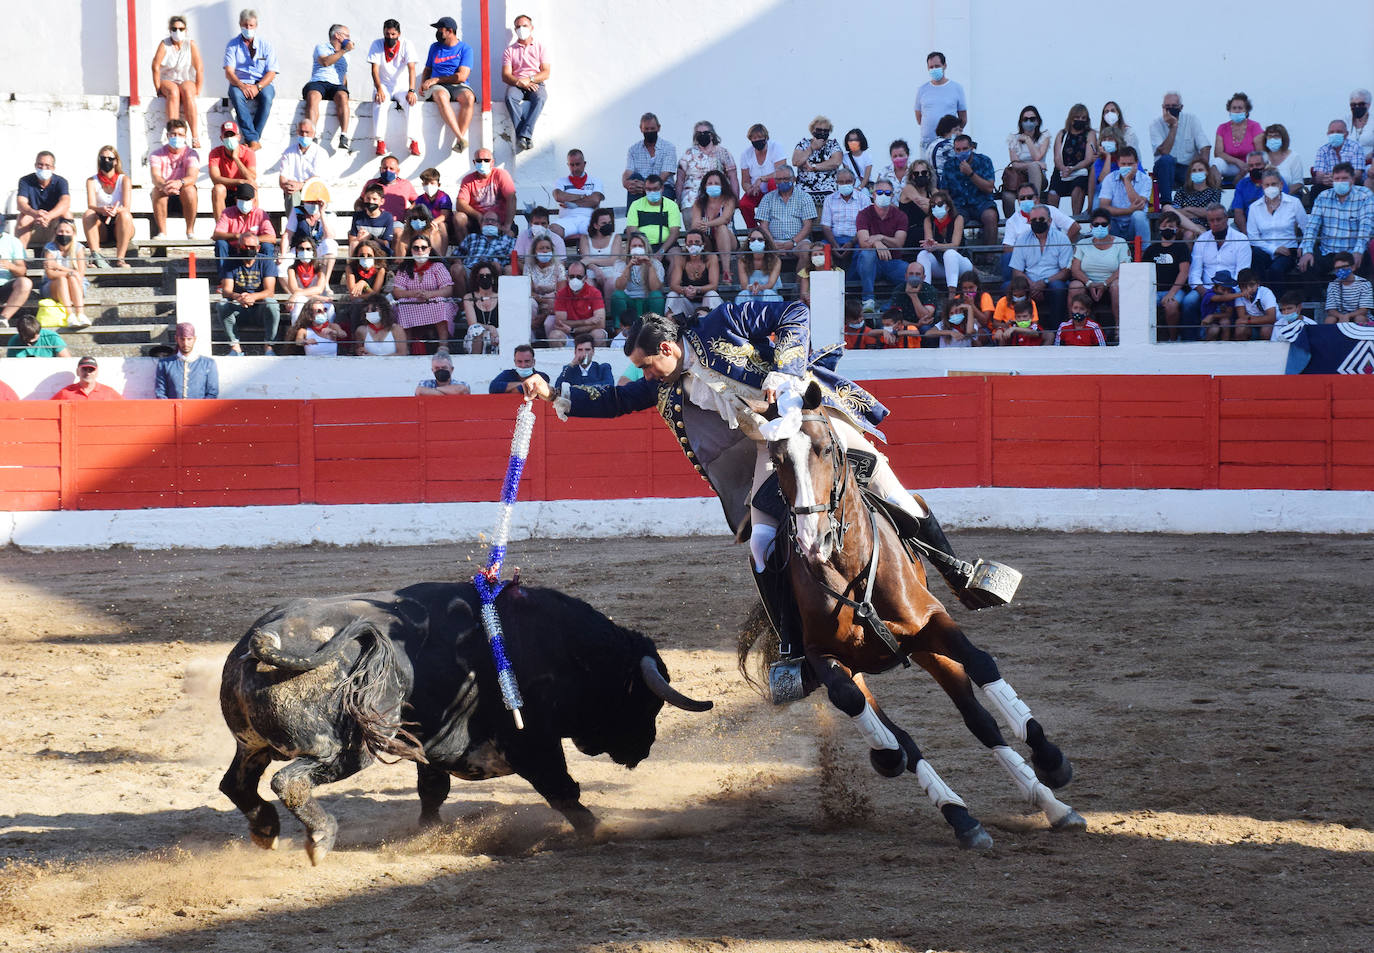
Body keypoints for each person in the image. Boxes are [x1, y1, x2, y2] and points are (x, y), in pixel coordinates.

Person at [534, 302, 1020, 646]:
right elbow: (617, 400)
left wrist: (785, 368)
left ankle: (959, 573)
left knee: (892, 493)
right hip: (772, 447)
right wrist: (556, 394)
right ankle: (791, 643)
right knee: (761, 544)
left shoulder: (721, 323)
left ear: (666, 347)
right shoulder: (664, 386)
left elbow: (793, 311)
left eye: (646, 365)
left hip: (808, 420)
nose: (645, 375)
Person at [217, 218, 280, 356]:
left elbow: (270, 291)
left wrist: (252, 297)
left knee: (272, 304)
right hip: (239, 307)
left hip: (259, 308)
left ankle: (269, 346)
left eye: (252, 247)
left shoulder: (266, 262)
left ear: (258, 248)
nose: (248, 250)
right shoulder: (230, 262)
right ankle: (235, 347)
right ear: (239, 247)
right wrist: (238, 297)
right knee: (222, 304)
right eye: (245, 247)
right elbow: (226, 290)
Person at [1298, 164, 1372, 282]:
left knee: (1363, 263)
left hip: (1352, 251)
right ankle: (1318, 295)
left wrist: (1358, 251)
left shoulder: (1365, 195)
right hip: (1328, 252)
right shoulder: (1323, 197)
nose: (1340, 182)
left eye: (1344, 178)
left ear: (1353, 180)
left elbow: (1366, 226)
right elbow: (1312, 226)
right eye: (1337, 179)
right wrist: (1307, 251)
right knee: (1306, 263)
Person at [223, 9, 278, 151]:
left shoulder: (266, 45)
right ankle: (254, 140)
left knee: (267, 97)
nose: (248, 28)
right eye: (245, 25)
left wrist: (257, 87)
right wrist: (241, 85)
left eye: (251, 25)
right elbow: (229, 72)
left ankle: (252, 139)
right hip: (239, 83)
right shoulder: (232, 45)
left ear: (256, 25)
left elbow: (272, 72)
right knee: (236, 96)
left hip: (261, 83)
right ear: (240, 24)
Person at [1009, 205, 1073, 329]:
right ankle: (1016, 331)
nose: (1037, 222)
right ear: (1029, 221)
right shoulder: (1022, 239)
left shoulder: (1062, 238)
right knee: (1008, 287)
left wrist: (1044, 282)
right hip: (1028, 285)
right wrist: (1033, 285)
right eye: (1034, 220)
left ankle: (1057, 331)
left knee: (1058, 287)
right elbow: (1017, 271)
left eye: (1041, 219)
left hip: (1051, 283)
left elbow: (1066, 271)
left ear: (1050, 221)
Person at [366, 19, 420, 159]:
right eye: (387, 34)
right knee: (379, 101)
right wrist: (379, 88)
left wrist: (411, 90)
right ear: (384, 33)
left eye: (393, 34)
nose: (390, 37)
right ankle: (380, 142)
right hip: (383, 84)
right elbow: (374, 69)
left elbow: (412, 68)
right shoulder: (377, 44)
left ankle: (414, 141)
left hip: (402, 85)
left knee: (412, 102)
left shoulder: (407, 44)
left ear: (399, 34)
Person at [420, 16, 476, 153]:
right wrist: (423, 84)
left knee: (469, 98)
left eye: (440, 29)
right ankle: (460, 138)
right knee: (441, 96)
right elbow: (427, 69)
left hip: (457, 84)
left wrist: (437, 79)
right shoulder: (434, 47)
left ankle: (459, 141)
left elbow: (462, 76)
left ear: (450, 31)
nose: (438, 32)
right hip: (438, 87)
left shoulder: (465, 49)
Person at [1069, 209, 1130, 332]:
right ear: (1091, 226)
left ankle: (1119, 328)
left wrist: (1105, 284)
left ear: (1109, 226)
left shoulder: (1120, 243)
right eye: (1096, 224)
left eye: (1103, 224)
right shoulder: (1082, 243)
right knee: (1075, 286)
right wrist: (1089, 283)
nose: (1100, 227)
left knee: (1117, 286)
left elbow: (1124, 268)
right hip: (1087, 286)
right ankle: (1074, 328)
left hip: (1110, 285)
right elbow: (1075, 269)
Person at [854, 177, 908, 312]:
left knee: (912, 273)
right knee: (867, 254)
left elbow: (899, 243)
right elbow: (863, 242)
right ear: (873, 195)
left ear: (892, 196)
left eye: (888, 193)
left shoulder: (900, 216)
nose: (883, 195)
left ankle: (889, 306)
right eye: (879, 192)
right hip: (870, 264)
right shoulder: (863, 214)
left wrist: (881, 237)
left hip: (892, 262)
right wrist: (877, 243)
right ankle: (868, 300)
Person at [1148, 91, 1212, 206]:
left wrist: (1203, 169)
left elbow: (1205, 147)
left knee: (1200, 169)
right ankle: (1166, 204)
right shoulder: (1155, 124)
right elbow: (1164, 152)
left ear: (1181, 107)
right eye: (1167, 106)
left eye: (1174, 106)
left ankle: (1199, 204)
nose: (1170, 109)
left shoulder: (1191, 120)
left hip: (1187, 168)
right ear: (1163, 107)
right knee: (1166, 160)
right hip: (1164, 169)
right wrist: (1174, 126)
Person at [393, 235, 455, 351]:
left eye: (423, 247)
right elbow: (397, 291)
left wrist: (430, 294)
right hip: (412, 300)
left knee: (441, 302)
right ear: (411, 250)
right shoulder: (404, 268)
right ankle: (406, 347)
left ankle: (443, 345)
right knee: (402, 304)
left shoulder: (438, 266)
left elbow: (448, 289)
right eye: (416, 248)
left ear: (429, 249)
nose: (420, 251)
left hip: (433, 299)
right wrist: (412, 294)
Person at [151, 15, 205, 148]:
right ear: (170, 30)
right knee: (173, 91)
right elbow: (155, 66)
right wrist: (158, 88)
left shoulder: (190, 44)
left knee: (188, 91)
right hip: (168, 80)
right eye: (174, 29)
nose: (177, 32)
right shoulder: (164, 44)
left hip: (186, 79)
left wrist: (198, 88)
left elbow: (199, 67)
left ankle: (195, 136)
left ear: (186, 30)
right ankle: (173, 133)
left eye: (181, 29)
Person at [1246, 169, 1308, 284]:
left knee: (1276, 270)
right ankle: (1260, 292)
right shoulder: (1254, 207)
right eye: (1267, 185)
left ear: (1281, 185)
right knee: (1255, 255)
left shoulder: (1294, 203)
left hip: (1287, 251)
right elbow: (1253, 237)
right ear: (1262, 186)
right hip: (1264, 250)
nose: (1270, 187)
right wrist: (1274, 249)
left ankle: (1277, 296)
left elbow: (1307, 229)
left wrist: (1303, 246)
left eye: (1273, 184)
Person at [1145, 211, 1198, 341]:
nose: (1167, 228)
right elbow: (1144, 272)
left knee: (1171, 306)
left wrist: (1171, 293)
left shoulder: (1181, 248)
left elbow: (1184, 272)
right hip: (1154, 291)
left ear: (1177, 229)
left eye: (1171, 226)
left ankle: (1173, 339)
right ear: (1159, 228)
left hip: (1176, 290)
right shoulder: (1151, 249)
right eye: (1164, 226)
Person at [501, 13, 549, 152]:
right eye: (518, 27)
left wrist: (530, 80)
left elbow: (546, 72)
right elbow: (505, 75)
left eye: (524, 26)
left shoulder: (540, 47)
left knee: (541, 98)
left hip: (535, 82)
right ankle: (524, 136)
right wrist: (519, 82)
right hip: (516, 84)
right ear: (515, 30)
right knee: (510, 97)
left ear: (531, 28)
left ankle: (523, 135)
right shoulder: (509, 50)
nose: (521, 29)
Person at [303, 23, 355, 151]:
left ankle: (344, 135)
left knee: (343, 96)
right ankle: (312, 133)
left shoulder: (346, 56)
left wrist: (346, 91)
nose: (349, 39)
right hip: (319, 81)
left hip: (336, 85)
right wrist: (344, 50)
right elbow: (325, 62)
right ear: (337, 35)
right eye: (347, 36)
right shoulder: (322, 47)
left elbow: (343, 75)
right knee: (313, 96)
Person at [212, 184, 277, 283]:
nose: (244, 202)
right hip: (234, 249)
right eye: (241, 199)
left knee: (268, 246)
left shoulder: (260, 214)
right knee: (221, 244)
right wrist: (237, 236)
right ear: (236, 200)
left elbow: (272, 237)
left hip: (254, 250)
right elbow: (216, 235)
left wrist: (251, 240)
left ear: (254, 201)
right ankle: (223, 281)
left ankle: (267, 279)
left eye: (247, 199)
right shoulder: (227, 212)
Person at [943, 134, 998, 248]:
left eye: (965, 149)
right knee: (955, 218)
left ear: (971, 148)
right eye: (958, 150)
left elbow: (989, 188)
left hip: (982, 203)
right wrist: (948, 206)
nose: (961, 152)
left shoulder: (984, 161)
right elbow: (944, 191)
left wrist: (971, 174)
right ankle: (960, 253)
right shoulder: (949, 165)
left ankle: (990, 255)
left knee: (990, 216)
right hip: (959, 205)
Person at [149, 119, 201, 239]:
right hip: (165, 192)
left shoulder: (191, 154)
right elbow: (155, 176)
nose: (177, 137)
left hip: (183, 193)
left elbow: (192, 177)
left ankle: (190, 232)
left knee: (190, 189)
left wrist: (179, 183)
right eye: (173, 134)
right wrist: (165, 186)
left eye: (180, 134)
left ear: (185, 137)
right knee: (157, 190)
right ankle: (162, 232)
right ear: (167, 135)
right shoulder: (156, 154)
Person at [83, 146, 134, 268]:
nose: (106, 161)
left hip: (120, 222)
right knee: (88, 214)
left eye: (110, 158)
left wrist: (115, 210)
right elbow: (91, 205)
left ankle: (120, 259)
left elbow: (126, 206)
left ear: (116, 161)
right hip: (101, 223)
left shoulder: (124, 179)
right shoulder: (91, 181)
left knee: (125, 215)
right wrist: (101, 210)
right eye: (103, 158)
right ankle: (96, 256)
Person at [754, 165, 814, 264]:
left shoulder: (805, 197)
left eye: (786, 179)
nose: (782, 182)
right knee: (756, 251)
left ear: (794, 179)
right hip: (773, 241)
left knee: (806, 252)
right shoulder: (767, 198)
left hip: (799, 242)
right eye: (779, 179)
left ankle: (801, 275)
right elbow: (763, 226)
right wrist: (772, 244)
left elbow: (808, 226)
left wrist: (793, 242)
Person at [917, 190, 973, 292]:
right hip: (940, 266)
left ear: (948, 207)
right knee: (923, 254)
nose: (936, 208)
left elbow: (955, 246)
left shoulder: (958, 218)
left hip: (961, 265)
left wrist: (937, 246)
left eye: (940, 205)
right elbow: (929, 243)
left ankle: (952, 293)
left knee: (950, 253)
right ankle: (925, 292)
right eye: (933, 206)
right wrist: (929, 246)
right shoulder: (928, 220)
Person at [282, 189, 339, 288]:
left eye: (315, 202)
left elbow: (330, 236)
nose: (312, 204)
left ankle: (324, 284)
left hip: (318, 250)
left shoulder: (329, 214)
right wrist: (283, 254)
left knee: (331, 245)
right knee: (280, 267)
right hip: (299, 249)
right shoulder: (297, 211)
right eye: (309, 202)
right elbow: (287, 234)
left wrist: (322, 213)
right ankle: (295, 292)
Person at [1192, 205, 1253, 297]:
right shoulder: (1202, 240)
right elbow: (1194, 273)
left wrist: (1227, 293)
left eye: (1219, 219)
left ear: (1226, 218)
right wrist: (1205, 293)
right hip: (1206, 289)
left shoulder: (1241, 239)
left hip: (1232, 289)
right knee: (1189, 301)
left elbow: (1242, 273)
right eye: (1211, 220)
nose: (1215, 223)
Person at [15, 151, 72, 249]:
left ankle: (67, 252)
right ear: (35, 165)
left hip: (53, 220)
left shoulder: (61, 182)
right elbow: (21, 203)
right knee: (23, 218)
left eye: (47, 166)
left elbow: (65, 202)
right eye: (40, 165)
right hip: (33, 219)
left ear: (53, 168)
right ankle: (20, 254)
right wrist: (35, 213)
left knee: (67, 214)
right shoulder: (25, 181)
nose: (43, 168)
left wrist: (48, 216)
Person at [607, 234, 666, 329]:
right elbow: (619, 287)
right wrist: (629, 266)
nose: (637, 249)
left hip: (647, 301)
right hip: (629, 302)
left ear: (645, 248)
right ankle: (619, 331)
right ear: (629, 248)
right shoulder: (620, 263)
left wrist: (650, 266)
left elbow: (655, 288)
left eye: (640, 246)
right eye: (634, 246)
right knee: (617, 295)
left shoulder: (655, 264)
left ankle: (655, 330)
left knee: (657, 296)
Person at [1049, 104, 1098, 215]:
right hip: (1062, 171)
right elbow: (1057, 157)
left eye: (1083, 118)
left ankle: (1075, 218)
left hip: (1080, 170)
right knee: (1053, 192)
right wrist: (1063, 168)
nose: (1080, 120)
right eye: (1077, 117)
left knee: (1078, 188)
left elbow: (1089, 158)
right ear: (1071, 119)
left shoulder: (1090, 134)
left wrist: (1073, 168)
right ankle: (1053, 220)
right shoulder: (1062, 134)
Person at [677, 120, 738, 209]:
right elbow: (680, 179)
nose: (702, 135)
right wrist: (678, 201)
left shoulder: (723, 153)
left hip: (718, 197)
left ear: (712, 135)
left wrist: (735, 200)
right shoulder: (688, 154)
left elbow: (733, 178)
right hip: (691, 200)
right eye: (699, 133)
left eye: (705, 132)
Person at [455, 149, 517, 235]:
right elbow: (460, 204)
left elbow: (512, 198)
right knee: (459, 218)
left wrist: (507, 225)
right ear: (474, 162)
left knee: (509, 234)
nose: (482, 163)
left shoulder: (501, 175)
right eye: (479, 160)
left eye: (486, 160)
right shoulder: (468, 179)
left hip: (500, 221)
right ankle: (465, 244)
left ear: (492, 162)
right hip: (477, 222)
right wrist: (478, 215)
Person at [42, 220, 91, 329]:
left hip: (76, 285)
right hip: (53, 286)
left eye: (67, 232)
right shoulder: (50, 248)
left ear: (73, 233)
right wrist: (69, 273)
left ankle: (80, 314)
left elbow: (79, 275)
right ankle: (70, 315)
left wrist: (58, 267)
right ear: (55, 232)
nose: (63, 234)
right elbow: (50, 274)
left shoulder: (78, 248)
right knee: (62, 279)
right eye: (61, 231)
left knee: (71, 278)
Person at [914, 51, 967, 149]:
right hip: (927, 144)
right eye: (931, 67)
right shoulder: (922, 89)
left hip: (948, 144)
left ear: (944, 66)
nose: (934, 69)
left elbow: (963, 119)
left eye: (937, 66)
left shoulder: (956, 88)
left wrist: (953, 134)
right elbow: (919, 117)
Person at [1096, 146, 1151, 242]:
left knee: (1139, 216)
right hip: (1115, 225)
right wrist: (1129, 210)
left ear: (1137, 163)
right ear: (1118, 163)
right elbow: (1104, 207)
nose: (1126, 167)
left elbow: (1139, 205)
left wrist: (1127, 181)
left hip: (1134, 226)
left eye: (1130, 164)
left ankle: (1144, 249)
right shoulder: (1109, 178)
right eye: (1123, 164)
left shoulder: (1145, 179)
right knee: (1104, 218)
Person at [818, 168, 870, 269]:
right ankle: (827, 277)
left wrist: (852, 242)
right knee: (820, 250)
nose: (845, 184)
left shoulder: (864, 199)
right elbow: (826, 226)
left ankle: (851, 278)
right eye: (841, 182)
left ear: (854, 181)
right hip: (834, 239)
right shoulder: (829, 199)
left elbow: (865, 226)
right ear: (836, 182)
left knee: (863, 251)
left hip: (857, 239)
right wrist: (834, 244)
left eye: (848, 181)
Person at [1002, 105, 1049, 216]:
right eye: (1025, 119)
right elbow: (1015, 164)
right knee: (1007, 197)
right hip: (1019, 179)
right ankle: (1013, 223)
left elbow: (1037, 157)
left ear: (1037, 121)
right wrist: (1035, 164)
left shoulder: (1044, 137)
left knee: (1034, 167)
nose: (1029, 122)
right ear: (1021, 122)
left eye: (1032, 119)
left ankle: (1035, 207)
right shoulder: (1013, 138)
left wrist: (1028, 140)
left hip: (1039, 178)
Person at [624, 112, 677, 208]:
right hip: (639, 188)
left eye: (652, 129)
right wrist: (626, 183)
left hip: (663, 187)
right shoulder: (633, 150)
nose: (649, 131)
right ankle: (632, 216)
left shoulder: (669, 148)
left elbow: (664, 175)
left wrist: (646, 187)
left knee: (663, 191)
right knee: (634, 179)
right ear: (641, 129)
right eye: (646, 129)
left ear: (658, 128)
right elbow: (628, 172)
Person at [206, 121, 255, 221]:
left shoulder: (248, 152)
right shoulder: (215, 153)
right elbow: (215, 178)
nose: (229, 138)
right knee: (218, 189)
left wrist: (236, 158)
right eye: (226, 135)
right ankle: (221, 226)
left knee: (253, 187)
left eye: (232, 135)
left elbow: (251, 178)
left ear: (238, 137)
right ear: (221, 138)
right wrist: (239, 181)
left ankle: (251, 225)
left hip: (242, 191)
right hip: (225, 191)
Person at [738, 123, 785, 229]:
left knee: (772, 182)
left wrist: (761, 179)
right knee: (744, 204)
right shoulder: (746, 154)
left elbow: (781, 173)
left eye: (760, 137)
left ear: (766, 137)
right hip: (757, 192)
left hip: (775, 189)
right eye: (754, 138)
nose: (757, 140)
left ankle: (774, 225)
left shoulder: (775, 147)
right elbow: (745, 181)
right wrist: (750, 188)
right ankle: (753, 230)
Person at [548, 259, 605, 346]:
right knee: (554, 336)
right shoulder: (561, 294)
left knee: (599, 334)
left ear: (585, 278)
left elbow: (600, 324)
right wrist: (586, 322)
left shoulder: (594, 293)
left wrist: (574, 329)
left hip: (589, 335)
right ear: (567, 277)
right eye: (572, 276)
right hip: (569, 335)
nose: (575, 280)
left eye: (579, 277)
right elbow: (560, 322)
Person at [881, 260, 938, 346]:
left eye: (918, 274)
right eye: (911, 274)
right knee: (886, 328)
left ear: (923, 277)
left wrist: (913, 296)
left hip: (926, 326)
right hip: (903, 324)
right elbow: (895, 319)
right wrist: (916, 325)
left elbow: (925, 317)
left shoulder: (930, 290)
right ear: (906, 276)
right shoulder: (899, 290)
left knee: (925, 329)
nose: (914, 277)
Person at [667, 229, 722, 317]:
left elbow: (714, 285)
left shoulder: (711, 258)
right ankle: (672, 322)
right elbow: (674, 285)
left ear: (703, 244)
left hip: (706, 302)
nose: (693, 245)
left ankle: (711, 323)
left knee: (712, 294)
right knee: (672, 295)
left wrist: (697, 289)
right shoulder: (680, 259)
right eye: (690, 242)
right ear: (686, 244)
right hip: (687, 302)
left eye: (697, 242)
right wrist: (685, 290)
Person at [154, 322, 219, 398]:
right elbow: (160, 392)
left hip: (200, 406)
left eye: (189, 339)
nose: (185, 343)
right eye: (182, 339)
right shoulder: (164, 364)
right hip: (173, 405)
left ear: (194, 339)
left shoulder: (208, 363)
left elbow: (212, 393)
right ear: (176, 339)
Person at [688, 169, 738, 265]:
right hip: (707, 241)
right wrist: (701, 227)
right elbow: (695, 224)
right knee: (698, 234)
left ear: (722, 186)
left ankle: (726, 270)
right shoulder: (699, 203)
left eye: (716, 183)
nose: (713, 186)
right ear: (705, 186)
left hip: (729, 240)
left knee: (721, 227)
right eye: (710, 183)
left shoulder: (729, 200)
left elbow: (725, 219)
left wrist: (707, 224)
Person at [792, 117, 841, 212]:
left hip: (828, 191)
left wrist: (813, 167)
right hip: (804, 191)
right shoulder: (803, 144)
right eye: (819, 130)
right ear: (812, 130)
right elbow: (796, 161)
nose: (822, 133)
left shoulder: (833, 144)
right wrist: (811, 148)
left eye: (825, 130)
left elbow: (836, 162)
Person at [551, 149, 604, 239]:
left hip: (589, 219)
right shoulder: (560, 181)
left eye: (578, 164)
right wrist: (583, 196)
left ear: (584, 164)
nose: (575, 168)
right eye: (572, 165)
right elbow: (558, 196)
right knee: (553, 231)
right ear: (568, 165)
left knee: (598, 231)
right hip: (566, 221)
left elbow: (595, 200)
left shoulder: (596, 181)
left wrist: (571, 203)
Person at [1211, 93, 1263, 181]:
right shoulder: (1222, 128)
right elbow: (1218, 153)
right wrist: (1237, 162)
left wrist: (1247, 167)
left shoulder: (1255, 126)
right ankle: (1215, 189)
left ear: (1246, 111)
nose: (1237, 110)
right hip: (1230, 165)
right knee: (1216, 163)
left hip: (1250, 166)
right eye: (1234, 108)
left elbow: (1260, 153)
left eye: (1240, 108)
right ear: (1229, 110)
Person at [1164, 159, 1223, 236]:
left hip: (1204, 225)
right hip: (1183, 225)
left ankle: (1199, 231)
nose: (1197, 172)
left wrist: (1189, 209)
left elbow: (1210, 212)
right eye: (1194, 170)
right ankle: (1199, 231)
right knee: (1167, 207)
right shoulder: (1182, 191)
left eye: (1200, 170)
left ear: (1207, 172)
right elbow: (1175, 212)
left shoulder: (1214, 191)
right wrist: (1199, 213)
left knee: (1189, 233)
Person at [625, 174, 682, 254]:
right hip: (643, 245)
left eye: (655, 189)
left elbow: (674, 233)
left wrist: (661, 252)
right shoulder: (635, 205)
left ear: (662, 188)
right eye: (648, 189)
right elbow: (632, 230)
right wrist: (645, 248)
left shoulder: (672, 205)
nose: (652, 192)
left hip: (666, 246)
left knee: (676, 256)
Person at [278, 118, 324, 216]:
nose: (304, 135)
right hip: (294, 190)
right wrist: (288, 186)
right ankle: (294, 223)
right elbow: (282, 177)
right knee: (291, 191)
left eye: (307, 132)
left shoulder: (320, 152)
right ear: (297, 132)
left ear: (314, 134)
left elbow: (317, 178)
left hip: (313, 190)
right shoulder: (288, 152)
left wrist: (301, 185)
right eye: (301, 132)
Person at [282, 236, 330, 327]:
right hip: (308, 299)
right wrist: (314, 296)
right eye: (301, 249)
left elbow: (319, 289)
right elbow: (294, 290)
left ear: (313, 251)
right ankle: (296, 331)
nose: (305, 252)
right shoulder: (292, 269)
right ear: (297, 251)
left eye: (308, 249)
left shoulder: (320, 268)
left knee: (330, 308)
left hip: (318, 301)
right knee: (300, 300)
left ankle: (327, 333)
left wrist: (297, 294)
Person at [1311, 121, 1368, 198]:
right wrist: (1328, 179)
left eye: (1339, 132)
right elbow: (1319, 175)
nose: (1335, 134)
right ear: (1328, 134)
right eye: (1332, 132)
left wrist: (1341, 178)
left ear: (1346, 134)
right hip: (1329, 185)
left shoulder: (1356, 147)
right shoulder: (1323, 150)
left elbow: (1357, 173)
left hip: (1351, 184)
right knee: (1316, 189)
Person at [454, 210, 516, 279]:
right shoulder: (472, 237)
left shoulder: (508, 240)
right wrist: (458, 262)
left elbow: (515, 259)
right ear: (481, 224)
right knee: (456, 268)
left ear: (499, 225)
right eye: (486, 220)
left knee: (496, 265)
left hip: (495, 271)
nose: (489, 222)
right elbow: (456, 255)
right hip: (471, 270)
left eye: (493, 221)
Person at [341, 239, 387, 330]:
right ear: (357, 256)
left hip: (374, 301)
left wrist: (364, 285)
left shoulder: (380, 270)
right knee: (357, 303)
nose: (365, 258)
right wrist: (368, 293)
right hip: (356, 302)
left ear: (375, 256)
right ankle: (356, 334)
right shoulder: (350, 268)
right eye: (362, 256)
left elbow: (376, 295)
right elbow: (353, 295)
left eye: (369, 256)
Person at [525, 236, 564, 338]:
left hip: (553, 304)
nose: (545, 251)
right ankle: (530, 338)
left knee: (554, 299)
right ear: (535, 251)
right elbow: (528, 291)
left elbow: (561, 292)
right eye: (541, 248)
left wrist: (545, 312)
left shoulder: (559, 267)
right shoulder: (529, 267)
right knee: (530, 303)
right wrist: (544, 299)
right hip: (537, 301)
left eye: (547, 248)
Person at [577, 208, 622, 295]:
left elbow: (612, 260)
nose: (607, 225)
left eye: (609, 223)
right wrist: (596, 269)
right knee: (588, 285)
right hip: (591, 271)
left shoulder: (616, 237)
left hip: (611, 271)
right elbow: (585, 260)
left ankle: (608, 304)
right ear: (595, 225)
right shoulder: (585, 238)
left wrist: (590, 260)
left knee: (611, 284)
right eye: (604, 223)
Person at [460, 259, 500, 354]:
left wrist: (493, 330)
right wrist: (490, 327)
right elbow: (472, 323)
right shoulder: (469, 297)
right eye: (481, 276)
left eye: (488, 276)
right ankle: (476, 359)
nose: (485, 278)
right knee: (475, 329)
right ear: (477, 279)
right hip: (477, 335)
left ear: (493, 278)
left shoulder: (501, 296)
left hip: (496, 334)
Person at [349, 182, 397, 258]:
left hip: (379, 249)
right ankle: (352, 264)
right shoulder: (357, 216)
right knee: (354, 244)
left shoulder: (387, 217)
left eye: (374, 199)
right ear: (364, 199)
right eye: (368, 198)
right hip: (362, 248)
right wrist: (359, 237)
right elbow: (352, 239)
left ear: (382, 201)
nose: (371, 202)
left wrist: (371, 237)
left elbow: (386, 243)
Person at [735, 229, 783, 305]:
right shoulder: (743, 260)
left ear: (766, 242)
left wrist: (759, 288)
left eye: (760, 239)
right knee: (743, 294)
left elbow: (770, 284)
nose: (756, 242)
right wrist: (752, 288)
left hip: (769, 292)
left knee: (768, 293)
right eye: (752, 239)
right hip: (750, 292)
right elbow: (744, 285)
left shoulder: (775, 260)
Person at [1230, 151, 1273, 234]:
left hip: (1271, 224)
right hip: (1247, 224)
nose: (1254, 168)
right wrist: (1246, 234)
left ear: (1266, 165)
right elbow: (1238, 212)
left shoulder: (1276, 182)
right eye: (1251, 165)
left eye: (1258, 164)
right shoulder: (1242, 184)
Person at [1324, 252, 1373, 324]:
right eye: (1337, 268)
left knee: (1360, 318)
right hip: (1340, 317)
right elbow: (1331, 310)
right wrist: (1341, 316)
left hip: (1361, 316)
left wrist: (1348, 316)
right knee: (1330, 319)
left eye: (1343, 267)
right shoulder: (1332, 284)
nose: (1340, 270)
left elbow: (1364, 310)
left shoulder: (1364, 283)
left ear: (1352, 267)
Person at [1231, 268, 1278, 341]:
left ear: (1258, 284)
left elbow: (1271, 318)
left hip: (1270, 325)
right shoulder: (1239, 294)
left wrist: (1248, 320)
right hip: (1252, 326)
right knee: (1240, 327)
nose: (1248, 289)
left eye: (1251, 285)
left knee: (1266, 330)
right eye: (1244, 286)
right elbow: (1242, 317)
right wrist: (1262, 319)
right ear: (1239, 286)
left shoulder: (1266, 293)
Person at [1260, 124, 1306, 198]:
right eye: (1270, 136)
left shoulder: (1294, 157)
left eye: (1276, 136)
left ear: (1283, 138)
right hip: (1265, 198)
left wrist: (1280, 196)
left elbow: (1298, 184)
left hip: (1289, 196)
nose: (1272, 139)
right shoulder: (1262, 157)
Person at [0, 227, 33, 327]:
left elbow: (22, 271)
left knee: (25, 283)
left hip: (4, 286)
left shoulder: (12, 241)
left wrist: (10, 266)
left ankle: (3, 318)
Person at [416, 167, 458, 244]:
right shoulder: (420, 199)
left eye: (432, 183)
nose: (429, 186)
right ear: (422, 184)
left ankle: (442, 252)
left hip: (445, 227)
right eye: (426, 183)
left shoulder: (444, 197)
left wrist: (432, 223)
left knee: (441, 225)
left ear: (438, 185)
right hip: (426, 226)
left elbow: (444, 215)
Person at [50, 356, 122, 400]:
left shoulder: (109, 392)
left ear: (97, 372)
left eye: (91, 370)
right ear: (77, 371)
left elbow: (125, 409)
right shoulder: (66, 393)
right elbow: (49, 410)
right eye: (84, 369)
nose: (87, 373)